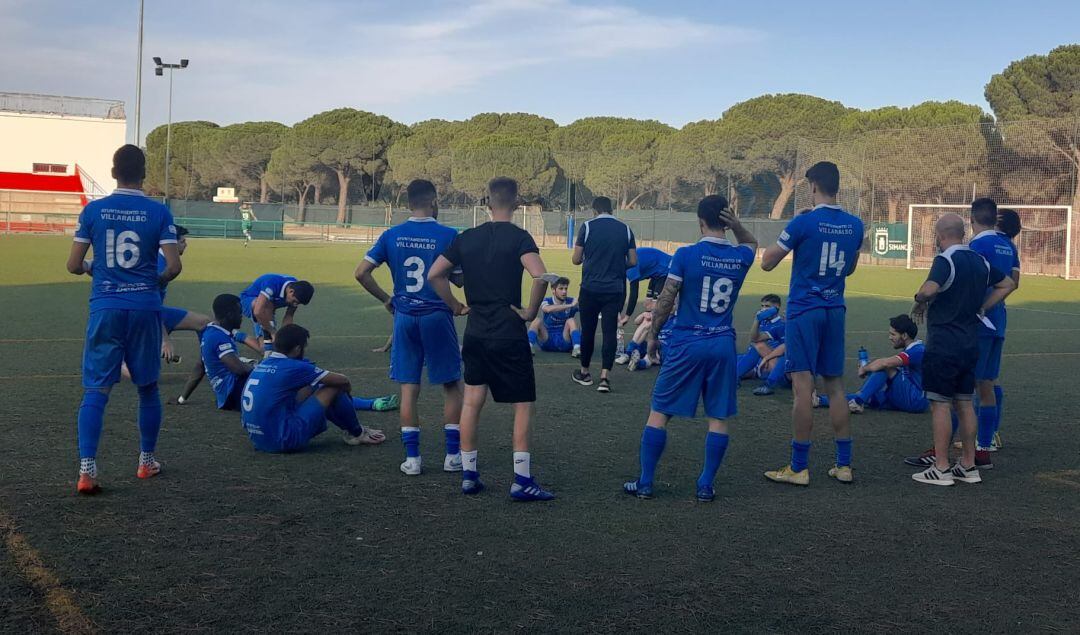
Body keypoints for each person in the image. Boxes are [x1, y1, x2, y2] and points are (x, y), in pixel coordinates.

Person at [428, 176, 556, 501]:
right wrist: (530, 310)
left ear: (486, 203)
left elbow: (435, 274)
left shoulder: (466, 238)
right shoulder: (520, 237)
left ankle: (469, 475)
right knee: (522, 405)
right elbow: (540, 275)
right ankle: (522, 481)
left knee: (472, 402)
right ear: (516, 203)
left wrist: (455, 305)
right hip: (508, 331)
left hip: (476, 331)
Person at [623, 196, 757, 502]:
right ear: (727, 221)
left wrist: (653, 336)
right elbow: (751, 243)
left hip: (687, 342)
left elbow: (667, 299)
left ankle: (645, 482)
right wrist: (737, 226)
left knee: (659, 413)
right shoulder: (739, 256)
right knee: (718, 418)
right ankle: (706, 485)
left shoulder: (686, 255)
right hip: (722, 343)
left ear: (700, 222)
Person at [66, 144, 181, 495]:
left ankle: (87, 470)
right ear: (144, 174)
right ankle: (146, 462)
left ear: (114, 172)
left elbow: (73, 265)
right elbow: (174, 266)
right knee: (147, 389)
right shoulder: (159, 212)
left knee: (96, 391)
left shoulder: (94, 210)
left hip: (106, 308)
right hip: (145, 308)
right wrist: (152, 282)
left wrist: (96, 270)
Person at [760, 161, 863, 486]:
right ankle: (843, 466)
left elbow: (766, 262)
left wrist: (796, 227)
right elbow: (848, 270)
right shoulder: (855, 225)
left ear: (813, 186)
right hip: (835, 309)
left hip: (805, 311)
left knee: (803, 389)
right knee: (835, 387)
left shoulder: (804, 222)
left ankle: (799, 467)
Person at [354, 178, 465, 476]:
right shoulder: (449, 235)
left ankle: (413, 460)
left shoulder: (392, 235)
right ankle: (452, 456)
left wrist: (387, 300)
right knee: (452, 385)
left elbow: (361, 273)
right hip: (437, 317)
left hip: (404, 317)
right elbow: (458, 279)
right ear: (434, 201)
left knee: (408, 389)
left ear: (408, 203)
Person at [908, 213, 1015, 486]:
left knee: (940, 404)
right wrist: (983, 306)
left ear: (941, 235)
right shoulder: (979, 260)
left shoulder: (945, 260)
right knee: (965, 402)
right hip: (971, 341)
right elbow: (1008, 283)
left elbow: (929, 289)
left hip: (945, 343)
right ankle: (968, 464)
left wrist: (919, 299)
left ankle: (941, 467)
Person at [240, 324, 386, 452]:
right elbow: (343, 380)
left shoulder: (264, 364)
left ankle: (352, 428)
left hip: (259, 439)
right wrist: (346, 394)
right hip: (283, 440)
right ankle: (357, 433)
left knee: (313, 386)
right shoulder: (294, 366)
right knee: (333, 387)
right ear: (297, 349)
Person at [968, 198, 1020, 464]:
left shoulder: (977, 245)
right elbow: (1014, 282)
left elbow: (970, 280)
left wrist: (980, 307)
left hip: (980, 322)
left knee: (966, 385)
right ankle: (986, 443)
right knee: (988, 383)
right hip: (999, 320)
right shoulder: (1009, 245)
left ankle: (968, 444)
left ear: (972, 219)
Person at [571, 196, 637, 393]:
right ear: (612, 209)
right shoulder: (625, 229)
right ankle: (604, 378)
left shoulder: (588, 227)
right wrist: (617, 265)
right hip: (614, 289)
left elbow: (576, 259)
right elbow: (633, 261)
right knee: (609, 332)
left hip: (590, 288)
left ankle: (584, 372)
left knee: (588, 331)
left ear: (594, 210)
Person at [815, 315, 928, 414]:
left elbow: (886, 363)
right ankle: (819, 400)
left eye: (893, 334)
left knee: (885, 367)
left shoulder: (918, 350)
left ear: (904, 336)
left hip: (916, 398)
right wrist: (869, 369)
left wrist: (865, 368)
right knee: (868, 395)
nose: (890, 337)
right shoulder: (912, 349)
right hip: (909, 396)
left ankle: (858, 403)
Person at [239, 273, 315, 355]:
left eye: (298, 303)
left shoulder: (297, 290)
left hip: (267, 310)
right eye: (295, 301)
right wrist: (272, 332)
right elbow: (258, 311)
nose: (295, 305)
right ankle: (267, 340)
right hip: (248, 302)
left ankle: (235, 334)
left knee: (266, 351)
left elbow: (289, 316)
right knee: (266, 305)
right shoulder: (272, 283)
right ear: (291, 291)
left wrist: (284, 338)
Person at [735, 294, 790, 395]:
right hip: (762, 360)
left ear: (776, 308)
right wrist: (757, 320)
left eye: (767, 306)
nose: (764, 309)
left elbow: (786, 348)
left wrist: (766, 358)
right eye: (762, 306)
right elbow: (753, 338)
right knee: (730, 360)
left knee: (759, 346)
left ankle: (768, 384)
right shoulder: (764, 322)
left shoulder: (782, 324)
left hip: (777, 364)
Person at [528, 277, 581, 356]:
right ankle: (528, 347)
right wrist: (571, 305)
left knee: (571, 320)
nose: (564, 291)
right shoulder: (546, 300)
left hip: (564, 339)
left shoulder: (572, 301)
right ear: (553, 290)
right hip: (547, 339)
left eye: (566, 288)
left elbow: (587, 309)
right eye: (561, 288)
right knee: (537, 321)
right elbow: (547, 309)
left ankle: (577, 349)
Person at [624, 246, 671, 319]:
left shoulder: (630, 266)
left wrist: (627, 316)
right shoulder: (622, 264)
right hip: (655, 274)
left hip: (665, 270)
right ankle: (651, 325)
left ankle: (663, 327)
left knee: (655, 307)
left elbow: (634, 293)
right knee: (648, 305)